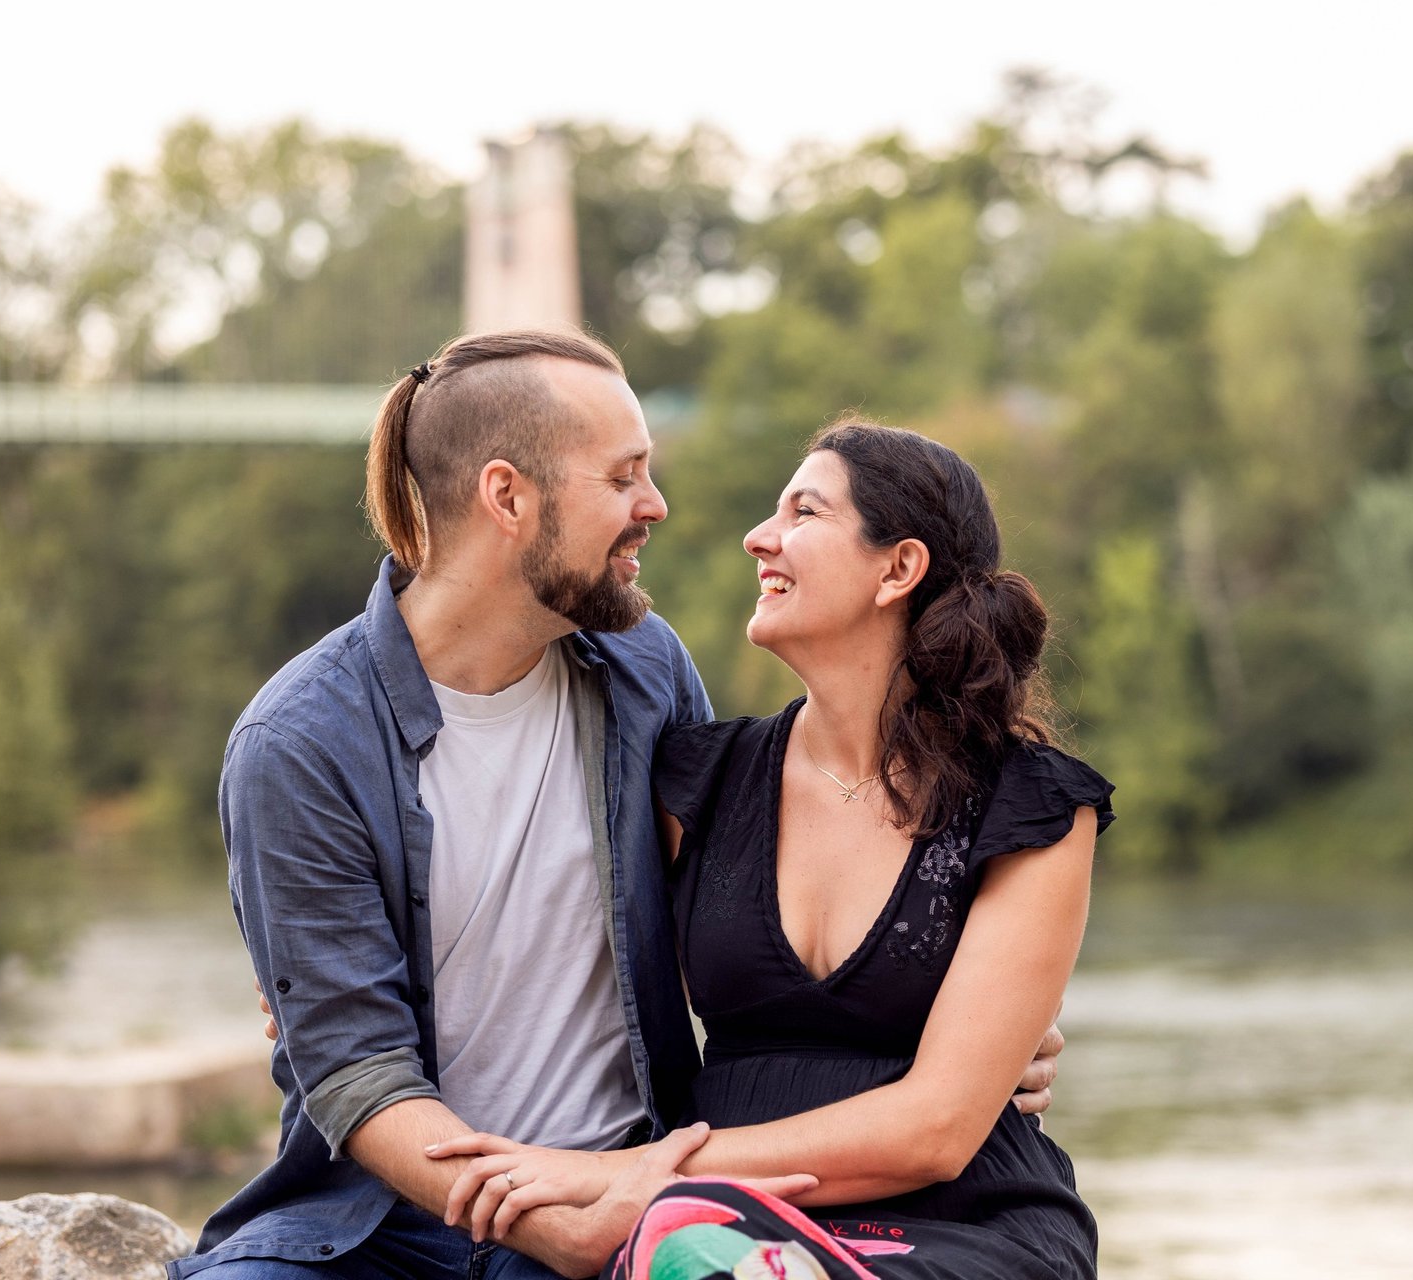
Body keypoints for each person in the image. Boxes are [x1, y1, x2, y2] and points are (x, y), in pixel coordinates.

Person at [174, 330, 1065, 1280]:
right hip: (371, 1227)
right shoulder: (300, 743)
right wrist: (525, 1212)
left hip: (630, 1191)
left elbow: (743, 905)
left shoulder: (644, 671)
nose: (657, 506)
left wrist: (979, 1028)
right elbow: (357, 1070)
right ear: (507, 497)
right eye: (623, 477)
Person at [427, 422, 1112, 1280]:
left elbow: (936, 1131)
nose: (760, 536)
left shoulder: (1032, 806)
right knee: (698, 1256)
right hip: (716, 1224)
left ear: (896, 569)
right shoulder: (695, 782)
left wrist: (621, 1174)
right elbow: (523, 910)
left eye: (803, 511)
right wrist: (325, 962)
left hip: (959, 1226)